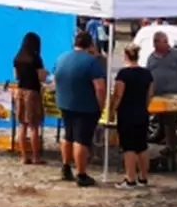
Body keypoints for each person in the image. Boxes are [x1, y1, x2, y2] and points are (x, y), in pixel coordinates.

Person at [53, 30, 106, 188]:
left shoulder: (61, 58)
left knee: (67, 135)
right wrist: (101, 105)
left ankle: (65, 166)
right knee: (81, 140)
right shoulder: (91, 62)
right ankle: (81, 173)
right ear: (90, 44)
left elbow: (55, 79)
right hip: (85, 106)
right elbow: (100, 88)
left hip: (64, 102)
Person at [110, 42, 154, 188]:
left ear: (126, 56)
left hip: (127, 113)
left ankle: (130, 178)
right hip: (142, 112)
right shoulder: (147, 73)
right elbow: (150, 95)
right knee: (142, 146)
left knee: (129, 147)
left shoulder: (123, 74)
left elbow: (118, 95)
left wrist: (112, 110)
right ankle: (143, 177)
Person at [146, 31, 177, 159]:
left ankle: (171, 146)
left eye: (165, 41)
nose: (166, 44)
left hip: (174, 96)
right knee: (161, 121)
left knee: (171, 121)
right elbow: (149, 76)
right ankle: (169, 145)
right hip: (157, 96)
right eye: (161, 42)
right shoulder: (151, 58)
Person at [12, 32, 47, 165]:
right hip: (32, 92)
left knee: (23, 125)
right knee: (34, 126)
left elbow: (16, 76)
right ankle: (36, 157)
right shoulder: (36, 59)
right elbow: (41, 78)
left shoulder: (17, 58)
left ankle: (23, 156)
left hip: (20, 91)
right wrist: (45, 73)